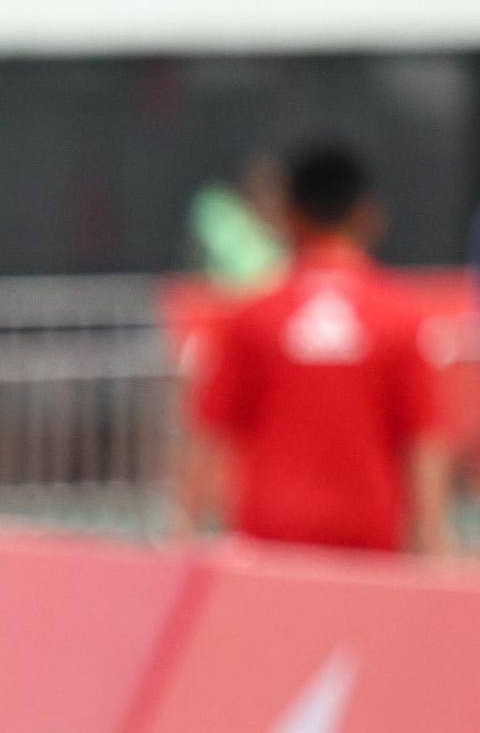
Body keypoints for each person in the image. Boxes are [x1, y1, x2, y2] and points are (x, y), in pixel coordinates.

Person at [184, 143, 455, 557]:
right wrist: (434, 543)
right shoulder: (403, 321)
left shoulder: (254, 318)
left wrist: (183, 533)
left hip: (270, 548)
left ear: (288, 216)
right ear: (368, 215)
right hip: (368, 551)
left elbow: (210, 432)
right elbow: (424, 441)